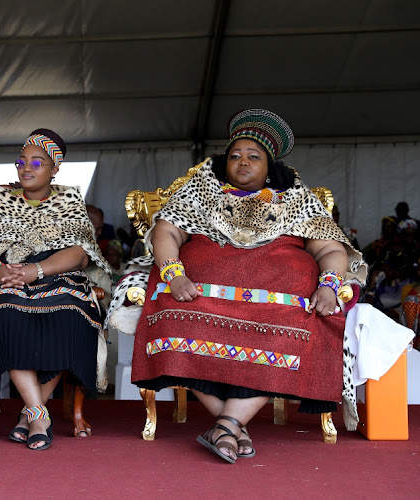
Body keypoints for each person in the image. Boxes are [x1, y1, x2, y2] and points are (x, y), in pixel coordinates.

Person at [119, 109, 366, 463]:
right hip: (200, 292)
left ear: (270, 166)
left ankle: (227, 424)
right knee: (173, 316)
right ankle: (234, 425)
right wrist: (174, 274)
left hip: (277, 298)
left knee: (299, 322)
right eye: (235, 155)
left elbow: (329, 247)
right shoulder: (201, 190)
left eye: (254, 156)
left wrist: (328, 285)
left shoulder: (296, 199)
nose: (243, 162)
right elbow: (166, 230)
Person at [0, 129, 111, 450]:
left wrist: (36, 270)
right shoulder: (1, 201)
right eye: (22, 161)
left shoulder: (70, 200)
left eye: (37, 162)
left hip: (55, 275)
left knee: (71, 314)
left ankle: (29, 414)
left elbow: (80, 253)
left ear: (54, 168)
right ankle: (37, 414)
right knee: (5, 310)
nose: (26, 168)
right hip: (4, 278)